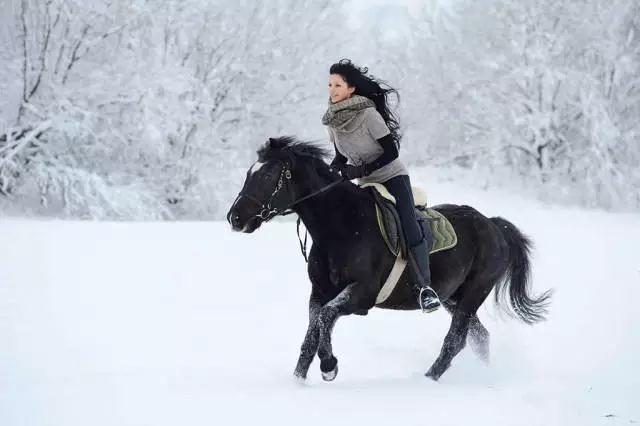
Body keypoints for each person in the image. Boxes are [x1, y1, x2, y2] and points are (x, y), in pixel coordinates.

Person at [322, 59, 441, 313]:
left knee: (408, 225)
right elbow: (341, 158)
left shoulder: (368, 115)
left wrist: (362, 169)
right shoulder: (332, 122)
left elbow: (391, 151)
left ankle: (425, 289)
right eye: (330, 84)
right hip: (366, 183)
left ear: (351, 88)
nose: (332, 89)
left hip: (392, 177)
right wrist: (328, 174)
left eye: (338, 85)